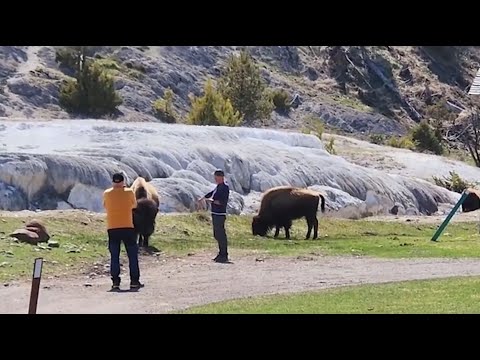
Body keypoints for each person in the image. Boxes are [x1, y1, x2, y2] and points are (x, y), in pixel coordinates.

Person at [103, 172, 144, 290]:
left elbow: (105, 206)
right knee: (132, 255)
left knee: (114, 256)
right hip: (128, 227)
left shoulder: (107, 193)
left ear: (113, 181)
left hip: (112, 228)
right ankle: (134, 281)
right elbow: (134, 205)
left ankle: (115, 282)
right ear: (123, 182)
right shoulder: (129, 192)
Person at [197, 170, 230, 263]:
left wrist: (211, 201)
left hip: (220, 213)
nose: (215, 179)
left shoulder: (225, 188)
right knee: (217, 234)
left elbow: (222, 202)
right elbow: (212, 193)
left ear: (221, 177)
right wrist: (203, 197)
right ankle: (221, 253)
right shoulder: (219, 187)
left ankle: (224, 254)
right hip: (215, 213)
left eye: (216, 178)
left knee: (221, 234)